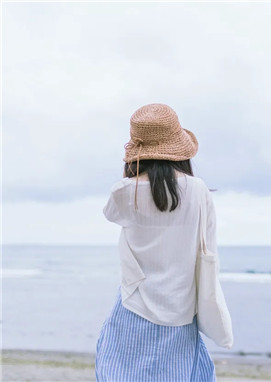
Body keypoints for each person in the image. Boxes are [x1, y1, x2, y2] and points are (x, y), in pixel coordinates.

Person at [95, 103, 218, 381]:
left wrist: (133, 174)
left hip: (135, 300)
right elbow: (208, 248)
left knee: (120, 370)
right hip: (181, 305)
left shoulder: (125, 191)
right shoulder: (198, 191)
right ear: (180, 150)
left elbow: (110, 215)